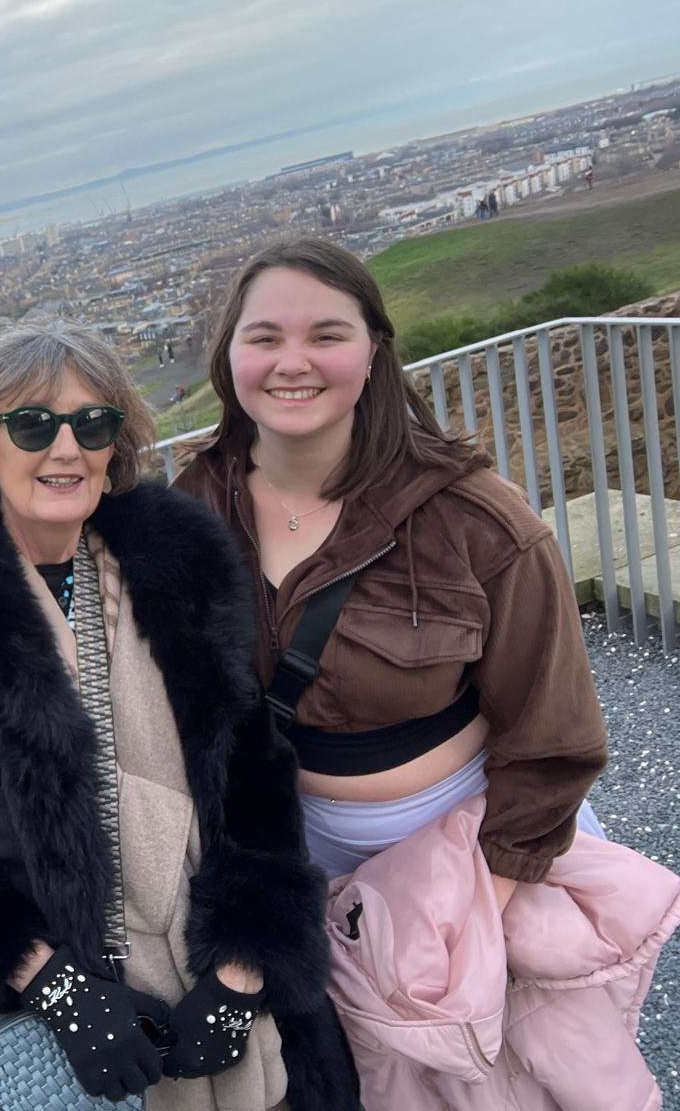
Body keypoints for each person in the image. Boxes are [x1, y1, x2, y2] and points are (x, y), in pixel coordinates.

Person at [0, 320, 360, 1110]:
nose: (66, 448)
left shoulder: (180, 566)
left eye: (92, 423)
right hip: (60, 1016)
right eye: (31, 424)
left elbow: (253, 775)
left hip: (232, 997)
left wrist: (241, 970)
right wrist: (52, 986)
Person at [172, 236, 608, 896]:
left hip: (473, 840)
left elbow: (553, 733)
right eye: (264, 338)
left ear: (374, 350)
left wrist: (487, 900)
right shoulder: (191, 514)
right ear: (229, 356)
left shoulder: (474, 520)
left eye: (326, 335)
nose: (293, 363)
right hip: (299, 851)